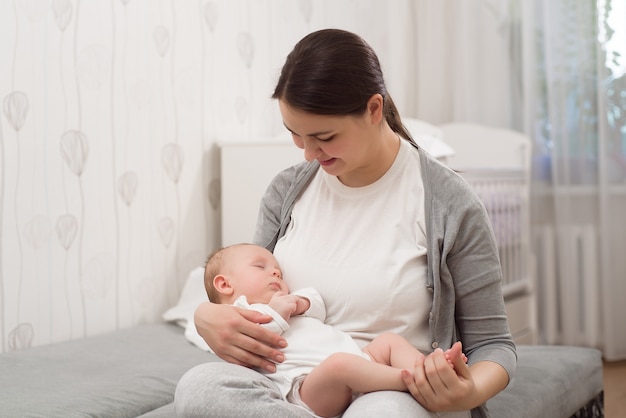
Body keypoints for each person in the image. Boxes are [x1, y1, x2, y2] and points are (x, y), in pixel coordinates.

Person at [175, 28, 516, 418]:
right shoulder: (286, 192)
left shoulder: (448, 203)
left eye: (323, 137)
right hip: (289, 385)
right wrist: (207, 315)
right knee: (198, 388)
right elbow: (253, 293)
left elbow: (495, 345)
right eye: (294, 135)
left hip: (388, 386)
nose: (307, 154)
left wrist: (467, 391)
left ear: (374, 109)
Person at [203, 243, 466, 417]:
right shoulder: (239, 312)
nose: (275, 274)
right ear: (225, 284)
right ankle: (413, 380)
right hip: (308, 387)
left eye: (278, 271)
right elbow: (259, 334)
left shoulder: (288, 299)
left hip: (359, 359)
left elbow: (317, 305)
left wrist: (300, 302)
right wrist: (277, 311)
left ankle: (431, 369)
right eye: (261, 267)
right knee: (339, 364)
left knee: (388, 341)